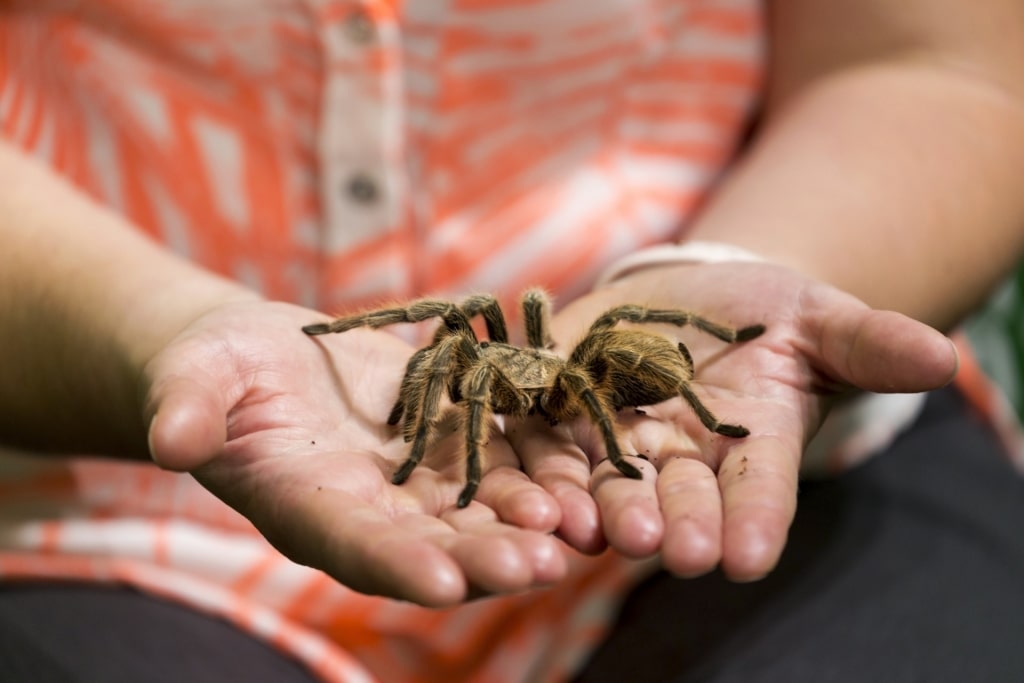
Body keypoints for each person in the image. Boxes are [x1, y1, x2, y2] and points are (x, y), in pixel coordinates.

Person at [1, 1, 1023, 681]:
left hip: (775, 475)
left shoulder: (580, 356)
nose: (477, 376)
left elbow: (938, 65)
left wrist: (715, 271)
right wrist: (161, 326)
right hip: (104, 518)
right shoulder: (510, 359)